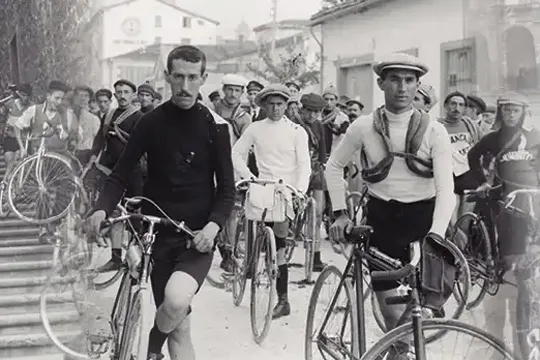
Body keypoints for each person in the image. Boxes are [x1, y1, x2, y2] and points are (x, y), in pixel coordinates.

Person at [87, 45, 235, 360]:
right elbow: (120, 175)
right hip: (156, 235)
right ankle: (156, 349)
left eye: (192, 77)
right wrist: (101, 207)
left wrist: (212, 227)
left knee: (178, 301)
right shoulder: (150, 122)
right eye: (178, 76)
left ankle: (152, 347)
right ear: (167, 77)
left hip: (196, 237)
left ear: (203, 78)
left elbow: (226, 190)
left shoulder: (216, 128)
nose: (184, 85)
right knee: (179, 327)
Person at [326, 53, 454, 340]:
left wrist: (437, 234)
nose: (402, 87)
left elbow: (447, 189)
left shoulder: (435, 131)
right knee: (391, 312)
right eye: (394, 79)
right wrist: (340, 213)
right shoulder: (363, 126)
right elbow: (333, 166)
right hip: (381, 221)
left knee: (420, 309)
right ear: (381, 83)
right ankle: (399, 348)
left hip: (424, 221)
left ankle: (403, 347)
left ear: (418, 85)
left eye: (410, 80)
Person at [468, 92, 540, 359]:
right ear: (501, 113)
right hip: (506, 200)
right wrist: (483, 182)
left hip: (533, 197)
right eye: (507, 110)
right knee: (509, 250)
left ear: (523, 112)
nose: (511, 115)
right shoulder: (495, 138)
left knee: (533, 250)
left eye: (515, 110)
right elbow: (473, 156)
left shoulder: (534, 136)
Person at [231, 84, 311, 319]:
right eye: (271, 104)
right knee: (256, 230)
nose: (276, 109)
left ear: (287, 105)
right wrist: (248, 176)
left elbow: (304, 164)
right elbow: (236, 152)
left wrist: (299, 190)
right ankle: (250, 263)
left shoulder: (297, 131)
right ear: (264, 105)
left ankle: (283, 299)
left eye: (280, 104)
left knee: (280, 244)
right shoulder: (256, 129)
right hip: (261, 187)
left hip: (285, 190)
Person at [9, 80, 76, 242]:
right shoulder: (34, 110)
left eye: (61, 99)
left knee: (67, 189)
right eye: (56, 98)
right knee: (41, 190)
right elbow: (17, 126)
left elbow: (67, 137)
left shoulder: (66, 114)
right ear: (48, 96)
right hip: (40, 157)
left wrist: (63, 133)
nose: (58, 102)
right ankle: (43, 229)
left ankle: (54, 221)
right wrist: (22, 147)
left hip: (60, 158)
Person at [91, 79, 145, 272]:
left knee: (134, 214)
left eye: (126, 92)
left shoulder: (139, 117)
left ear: (133, 95)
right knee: (114, 212)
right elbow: (100, 139)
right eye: (119, 92)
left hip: (133, 171)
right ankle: (115, 258)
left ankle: (136, 258)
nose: (122, 96)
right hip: (110, 171)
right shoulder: (110, 115)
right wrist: (91, 158)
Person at [438, 91, 483, 232]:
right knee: (452, 221)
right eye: (453, 104)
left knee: (466, 220)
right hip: (449, 176)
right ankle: (456, 250)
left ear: (464, 108)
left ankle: (465, 251)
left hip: (469, 175)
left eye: (461, 105)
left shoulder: (471, 126)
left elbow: (482, 147)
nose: (456, 107)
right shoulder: (437, 126)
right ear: (445, 106)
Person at [299, 93, 328, 272]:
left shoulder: (319, 126)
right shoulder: (295, 125)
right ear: (302, 109)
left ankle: (316, 256)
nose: (312, 115)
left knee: (317, 214)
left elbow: (323, 151)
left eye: (316, 112)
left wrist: (321, 167)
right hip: (298, 171)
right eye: (309, 111)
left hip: (315, 170)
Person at [321, 85, 349, 159]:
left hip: (335, 156)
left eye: (331, 99)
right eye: (326, 99)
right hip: (320, 155)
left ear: (336, 101)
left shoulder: (342, 117)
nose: (328, 102)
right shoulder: (318, 116)